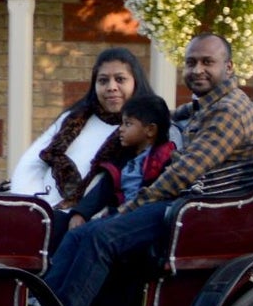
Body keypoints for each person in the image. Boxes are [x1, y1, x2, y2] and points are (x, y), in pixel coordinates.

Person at [29, 34, 253, 306]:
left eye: (208, 62)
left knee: (101, 236)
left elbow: (184, 173)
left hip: (200, 213)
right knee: (78, 230)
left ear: (229, 67)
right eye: (191, 62)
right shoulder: (204, 107)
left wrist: (132, 206)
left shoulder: (229, 112)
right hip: (182, 207)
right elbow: (168, 118)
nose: (197, 70)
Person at [6, 46, 150, 206]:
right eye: (103, 80)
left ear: (136, 81)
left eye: (120, 79)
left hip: (89, 220)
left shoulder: (144, 130)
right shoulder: (73, 118)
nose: (111, 87)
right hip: (39, 209)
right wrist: (32, 206)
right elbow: (32, 162)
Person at [65, 92, 174, 229]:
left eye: (127, 124)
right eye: (121, 123)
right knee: (60, 223)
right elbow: (102, 191)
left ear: (150, 130)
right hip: (117, 217)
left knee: (87, 235)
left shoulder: (165, 159)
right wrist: (80, 213)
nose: (120, 129)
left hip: (141, 222)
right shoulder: (123, 160)